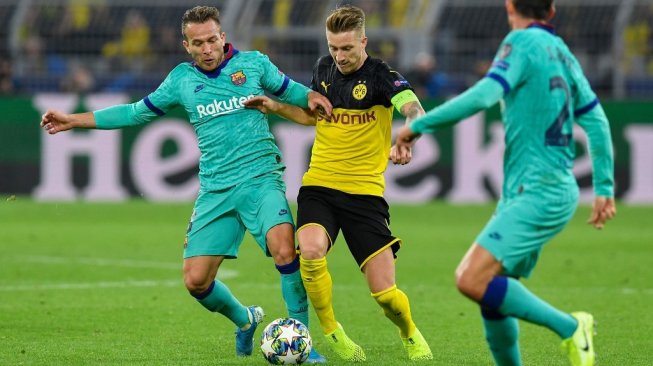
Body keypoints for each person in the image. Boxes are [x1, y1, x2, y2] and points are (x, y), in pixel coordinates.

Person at [39, 6, 330, 363]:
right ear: (186, 46)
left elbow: (293, 91)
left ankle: (302, 343)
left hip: (260, 179)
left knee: (285, 249)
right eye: (198, 43)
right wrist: (74, 119)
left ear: (223, 38)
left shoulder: (254, 64)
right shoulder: (180, 80)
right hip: (215, 190)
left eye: (212, 40)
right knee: (196, 282)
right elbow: (134, 112)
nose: (207, 49)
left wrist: (311, 96)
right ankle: (245, 319)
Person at [395, 1, 616, 366]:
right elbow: (597, 121)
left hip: (538, 191)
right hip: (545, 190)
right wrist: (604, 187)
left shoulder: (521, 43)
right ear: (552, 11)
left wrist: (419, 125)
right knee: (491, 291)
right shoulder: (561, 51)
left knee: (470, 279)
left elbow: (484, 94)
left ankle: (571, 327)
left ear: (510, 6)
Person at [245, 5, 433, 362]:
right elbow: (312, 117)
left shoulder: (382, 76)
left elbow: (414, 110)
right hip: (320, 184)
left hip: (364, 193)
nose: (339, 56)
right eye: (333, 47)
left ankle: (409, 331)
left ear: (363, 41)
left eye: (347, 48)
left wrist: (407, 137)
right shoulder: (323, 69)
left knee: (385, 294)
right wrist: (274, 105)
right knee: (311, 250)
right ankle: (332, 332)